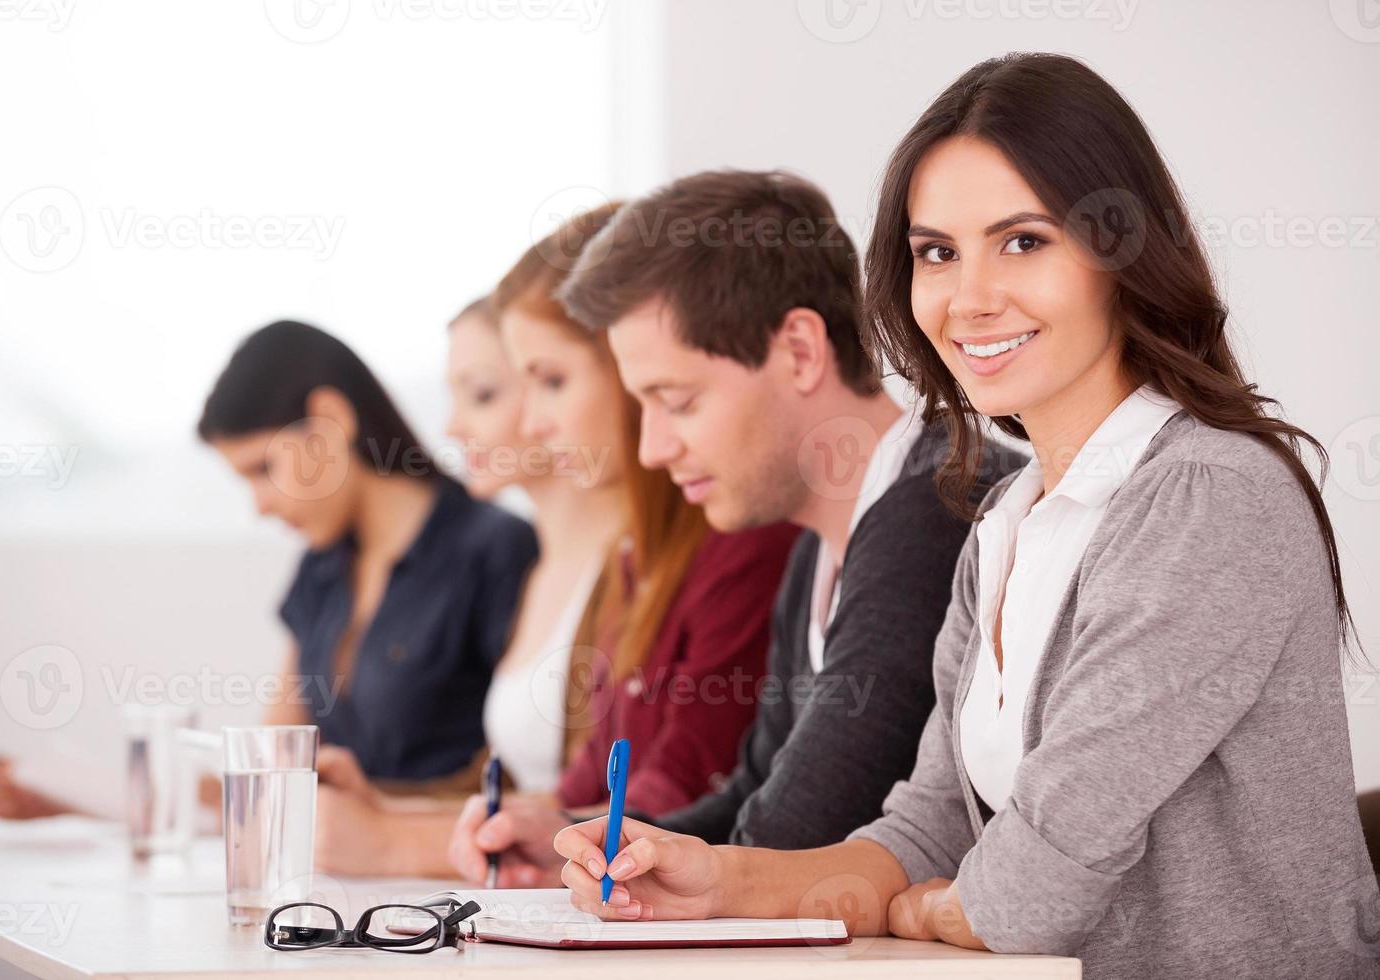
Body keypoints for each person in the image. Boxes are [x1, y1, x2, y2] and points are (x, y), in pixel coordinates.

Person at [551, 53, 1380, 980]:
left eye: (1022, 241)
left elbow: (1024, 898)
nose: (968, 298)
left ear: (1120, 252)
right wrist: (713, 881)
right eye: (936, 252)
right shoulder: (1001, 524)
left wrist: (936, 902)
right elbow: (927, 823)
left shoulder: (1207, 498)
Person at [447, 169, 1023, 887]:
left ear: (799, 352)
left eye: (677, 401)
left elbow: (794, 831)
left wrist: (629, 855)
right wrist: (576, 837)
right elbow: (751, 798)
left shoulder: (936, 507)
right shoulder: (817, 550)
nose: (652, 448)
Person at [314, 205, 799, 877]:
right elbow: (577, 796)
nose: (532, 421)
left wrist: (394, 841)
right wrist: (401, 815)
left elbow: (678, 795)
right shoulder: (635, 562)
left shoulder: (745, 544)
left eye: (547, 382)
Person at [309, 294, 615, 873]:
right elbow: (526, 796)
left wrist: (390, 839)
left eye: (483, 394)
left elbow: (630, 809)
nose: (451, 426)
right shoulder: (543, 567)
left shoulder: (548, 556)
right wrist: (385, 806)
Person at [198, 319, 537, 789]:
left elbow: (523, 779)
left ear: (330, 420)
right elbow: (270, 759)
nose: (260, 506)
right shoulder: (321, 568)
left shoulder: (496, 549)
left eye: (264, 468)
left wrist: (374, 823)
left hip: (447, 858)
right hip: (333, 859)